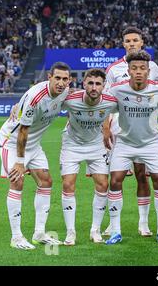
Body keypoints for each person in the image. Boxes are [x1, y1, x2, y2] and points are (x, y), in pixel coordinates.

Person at [0, 62, 70, 250]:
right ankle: (16, 237)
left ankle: (39, 233)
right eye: (58, 78)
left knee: (46, 181)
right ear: (49, 77)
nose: (61, 83)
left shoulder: (65, 92)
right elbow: (22, 131)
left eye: (65, 79)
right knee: (17, 181)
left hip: (34, 144)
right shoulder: (35, 97)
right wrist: (20, 163)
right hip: (12, 142)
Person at [103, 50, 158, 245]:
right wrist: (105, 128)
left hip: (151, 143)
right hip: (125, 143)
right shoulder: (117, 89)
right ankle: (115, 231)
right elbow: (100, 106)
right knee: (115, 181)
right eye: (134, 68)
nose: (138, 71)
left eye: (142, 68)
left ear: (148, 71)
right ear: (129, 70)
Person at [59, 69, 118, 245]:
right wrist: (18, 107)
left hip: (96, 145)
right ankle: (70, 232)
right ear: (83, 84)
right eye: (90, 83)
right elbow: (47, 103)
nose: (94, 87)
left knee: (103, 184)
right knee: (68, 184)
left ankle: (95, 230)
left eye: (98, 84)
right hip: (72, 145)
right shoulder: (70, 99)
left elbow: (132, 105)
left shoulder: (110, 102)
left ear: (104, 86)